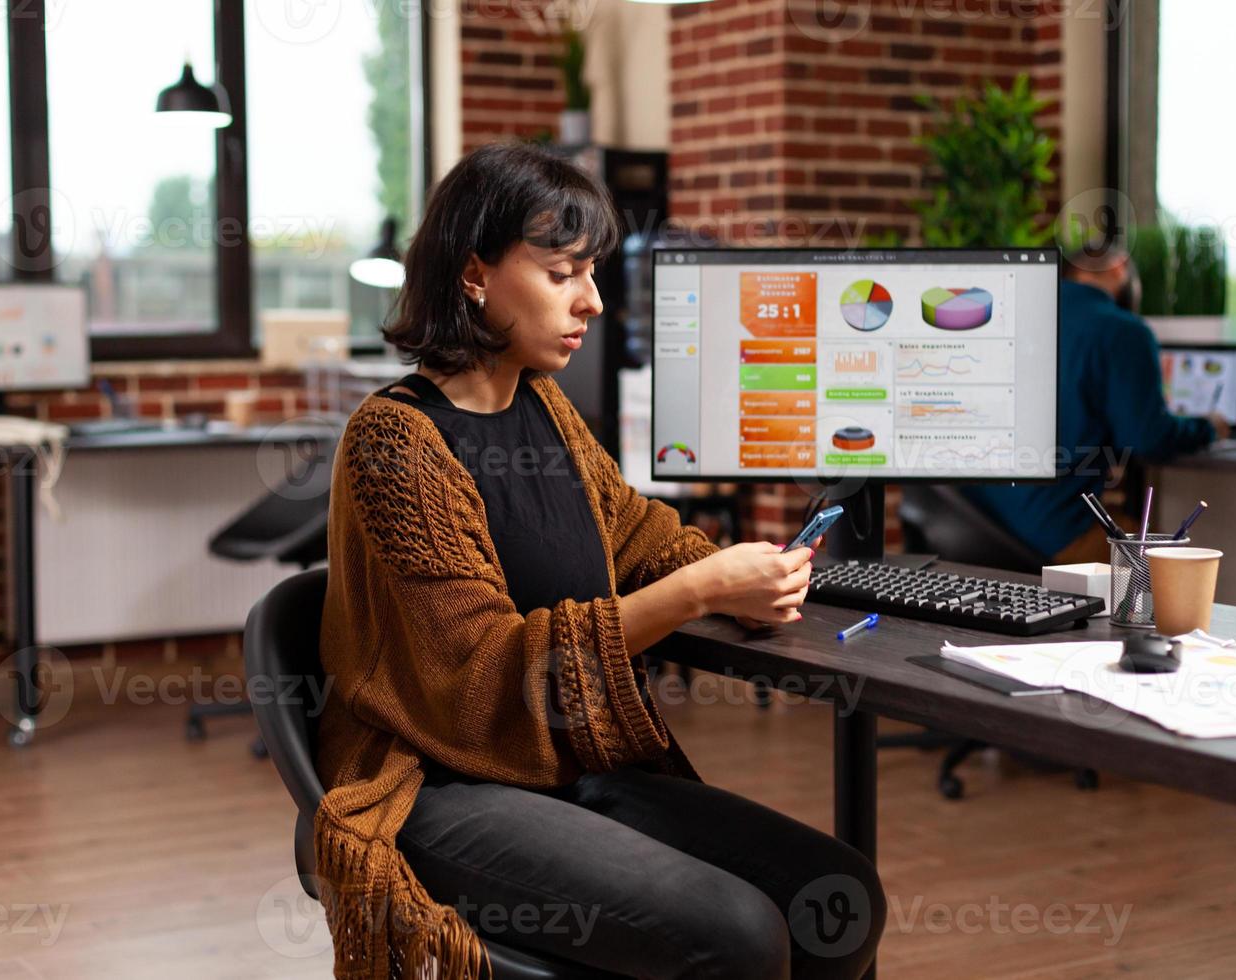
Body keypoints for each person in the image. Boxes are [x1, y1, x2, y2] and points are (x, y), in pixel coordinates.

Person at [312, 141, 884, 979]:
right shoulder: (395, 443)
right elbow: (476, 683)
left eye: (592, 271)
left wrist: (743, 571)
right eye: (561, 274)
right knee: (741, 931)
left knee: (839, 894)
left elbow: (637, 538)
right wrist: (695, 593)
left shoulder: (545, 408)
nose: (592, 302)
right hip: (438, 781)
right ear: (475, 275)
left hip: (562, 762)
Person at [962, 246, 1230, 564]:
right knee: (1155, 554)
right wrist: (1209, 427)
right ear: (1120, 268)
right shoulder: (1123, 330)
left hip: (968, 515)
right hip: (1049, 530)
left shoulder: (1008, 312)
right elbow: (1148, 438)